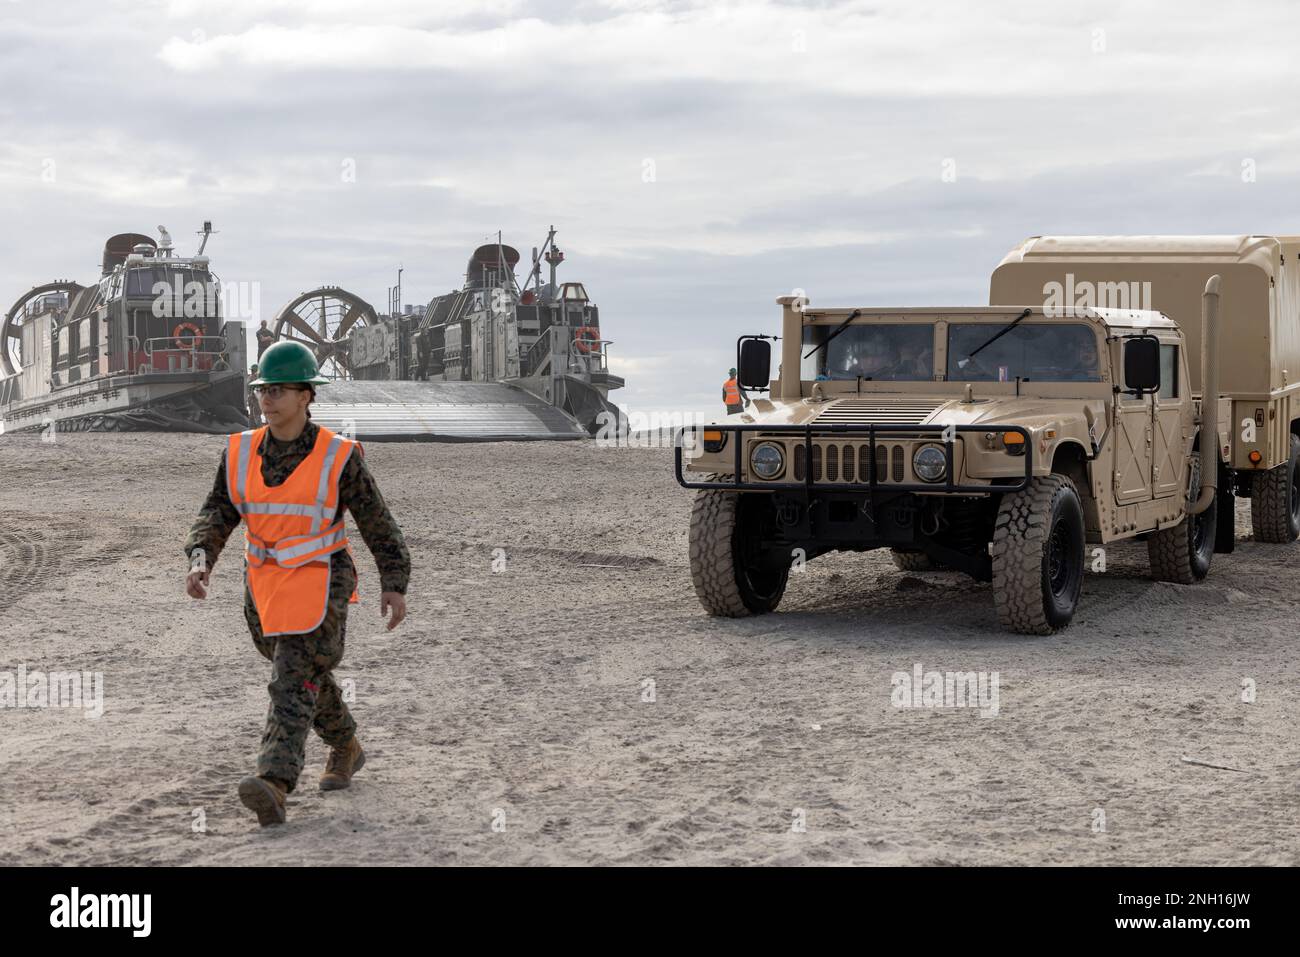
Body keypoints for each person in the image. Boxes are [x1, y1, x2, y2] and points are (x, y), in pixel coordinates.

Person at [183, 340, 411, 827]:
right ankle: (346, 744)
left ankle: (274, 782)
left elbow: (378, 524)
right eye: (264, 388)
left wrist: (394, 582)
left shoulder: (339, 456)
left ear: (307, 395)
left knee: (291, 677)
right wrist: (201, 559)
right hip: (264, 580)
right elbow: (218, 511)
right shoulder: (239, 451)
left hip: (321, 578)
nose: (268, 398)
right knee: (304, 673)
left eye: (280, 389)